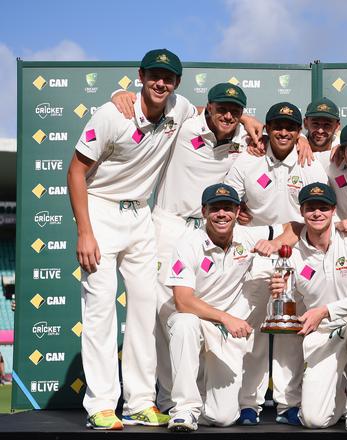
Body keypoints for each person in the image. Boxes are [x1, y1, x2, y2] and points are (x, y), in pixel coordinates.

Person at [67, 48, 197, 430]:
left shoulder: (179, 107)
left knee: (144, 311)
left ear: (176, 83)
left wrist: (252, 120)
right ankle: (101, 404)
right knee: (101, 310)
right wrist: (85, 231)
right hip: (101, 209)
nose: (161, 83)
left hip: (141, 213)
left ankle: (140, 401)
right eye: (154, 75)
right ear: (140, 75)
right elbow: (75, 172)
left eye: (169, 78)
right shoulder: (112, 114)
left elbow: (206, 113)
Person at [223, 102, 328, 425]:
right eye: (277, 126)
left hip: (298, 253)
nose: (283, 132)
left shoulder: (310, 163)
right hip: (256, 251)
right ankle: (248, 403)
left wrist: (284, 238)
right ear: (266, 129)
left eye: (291, 128)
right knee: (252, 327)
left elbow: (316, 215)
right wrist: (263, 234)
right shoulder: (246, 160)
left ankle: (288, 404)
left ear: (300, 133)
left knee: (289, 330)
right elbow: (228, 203)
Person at [151, 83, 250, 411]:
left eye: (235, 110)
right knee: (169, 315)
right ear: (207, 107)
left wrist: (252, 122)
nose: (228, 115)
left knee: (201, 316)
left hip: (213, 227)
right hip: (172, 225)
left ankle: (203, 397)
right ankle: (169, 400)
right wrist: (116, 97)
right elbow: (157, 102)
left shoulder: (243, 140)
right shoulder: (184, 125)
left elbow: (281, 137)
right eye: (221, 108)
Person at [163, 183, 289, 432]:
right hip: (200, 321)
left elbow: (293, 228)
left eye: (228, 208)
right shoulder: (188, 243)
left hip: (226, 333)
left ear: (237, 211)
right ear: (204, 211)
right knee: (183, 322)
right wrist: (225, 318)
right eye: (215, 209)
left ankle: (201, 401)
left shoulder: (247, 235)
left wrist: (275, 245)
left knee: (223, 418)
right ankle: (184, 410)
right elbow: (183, 301)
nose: (222, 214)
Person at [269, 183, 347, 431]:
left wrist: (326, 310)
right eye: (311, 208)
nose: (317, 213)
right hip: (324, 335)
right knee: (314, 420)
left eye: (323, 207)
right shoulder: (292, 255)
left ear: (334, 210)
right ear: (302, 211)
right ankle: (340, 392)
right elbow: (288, 303)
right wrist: (279, 292)